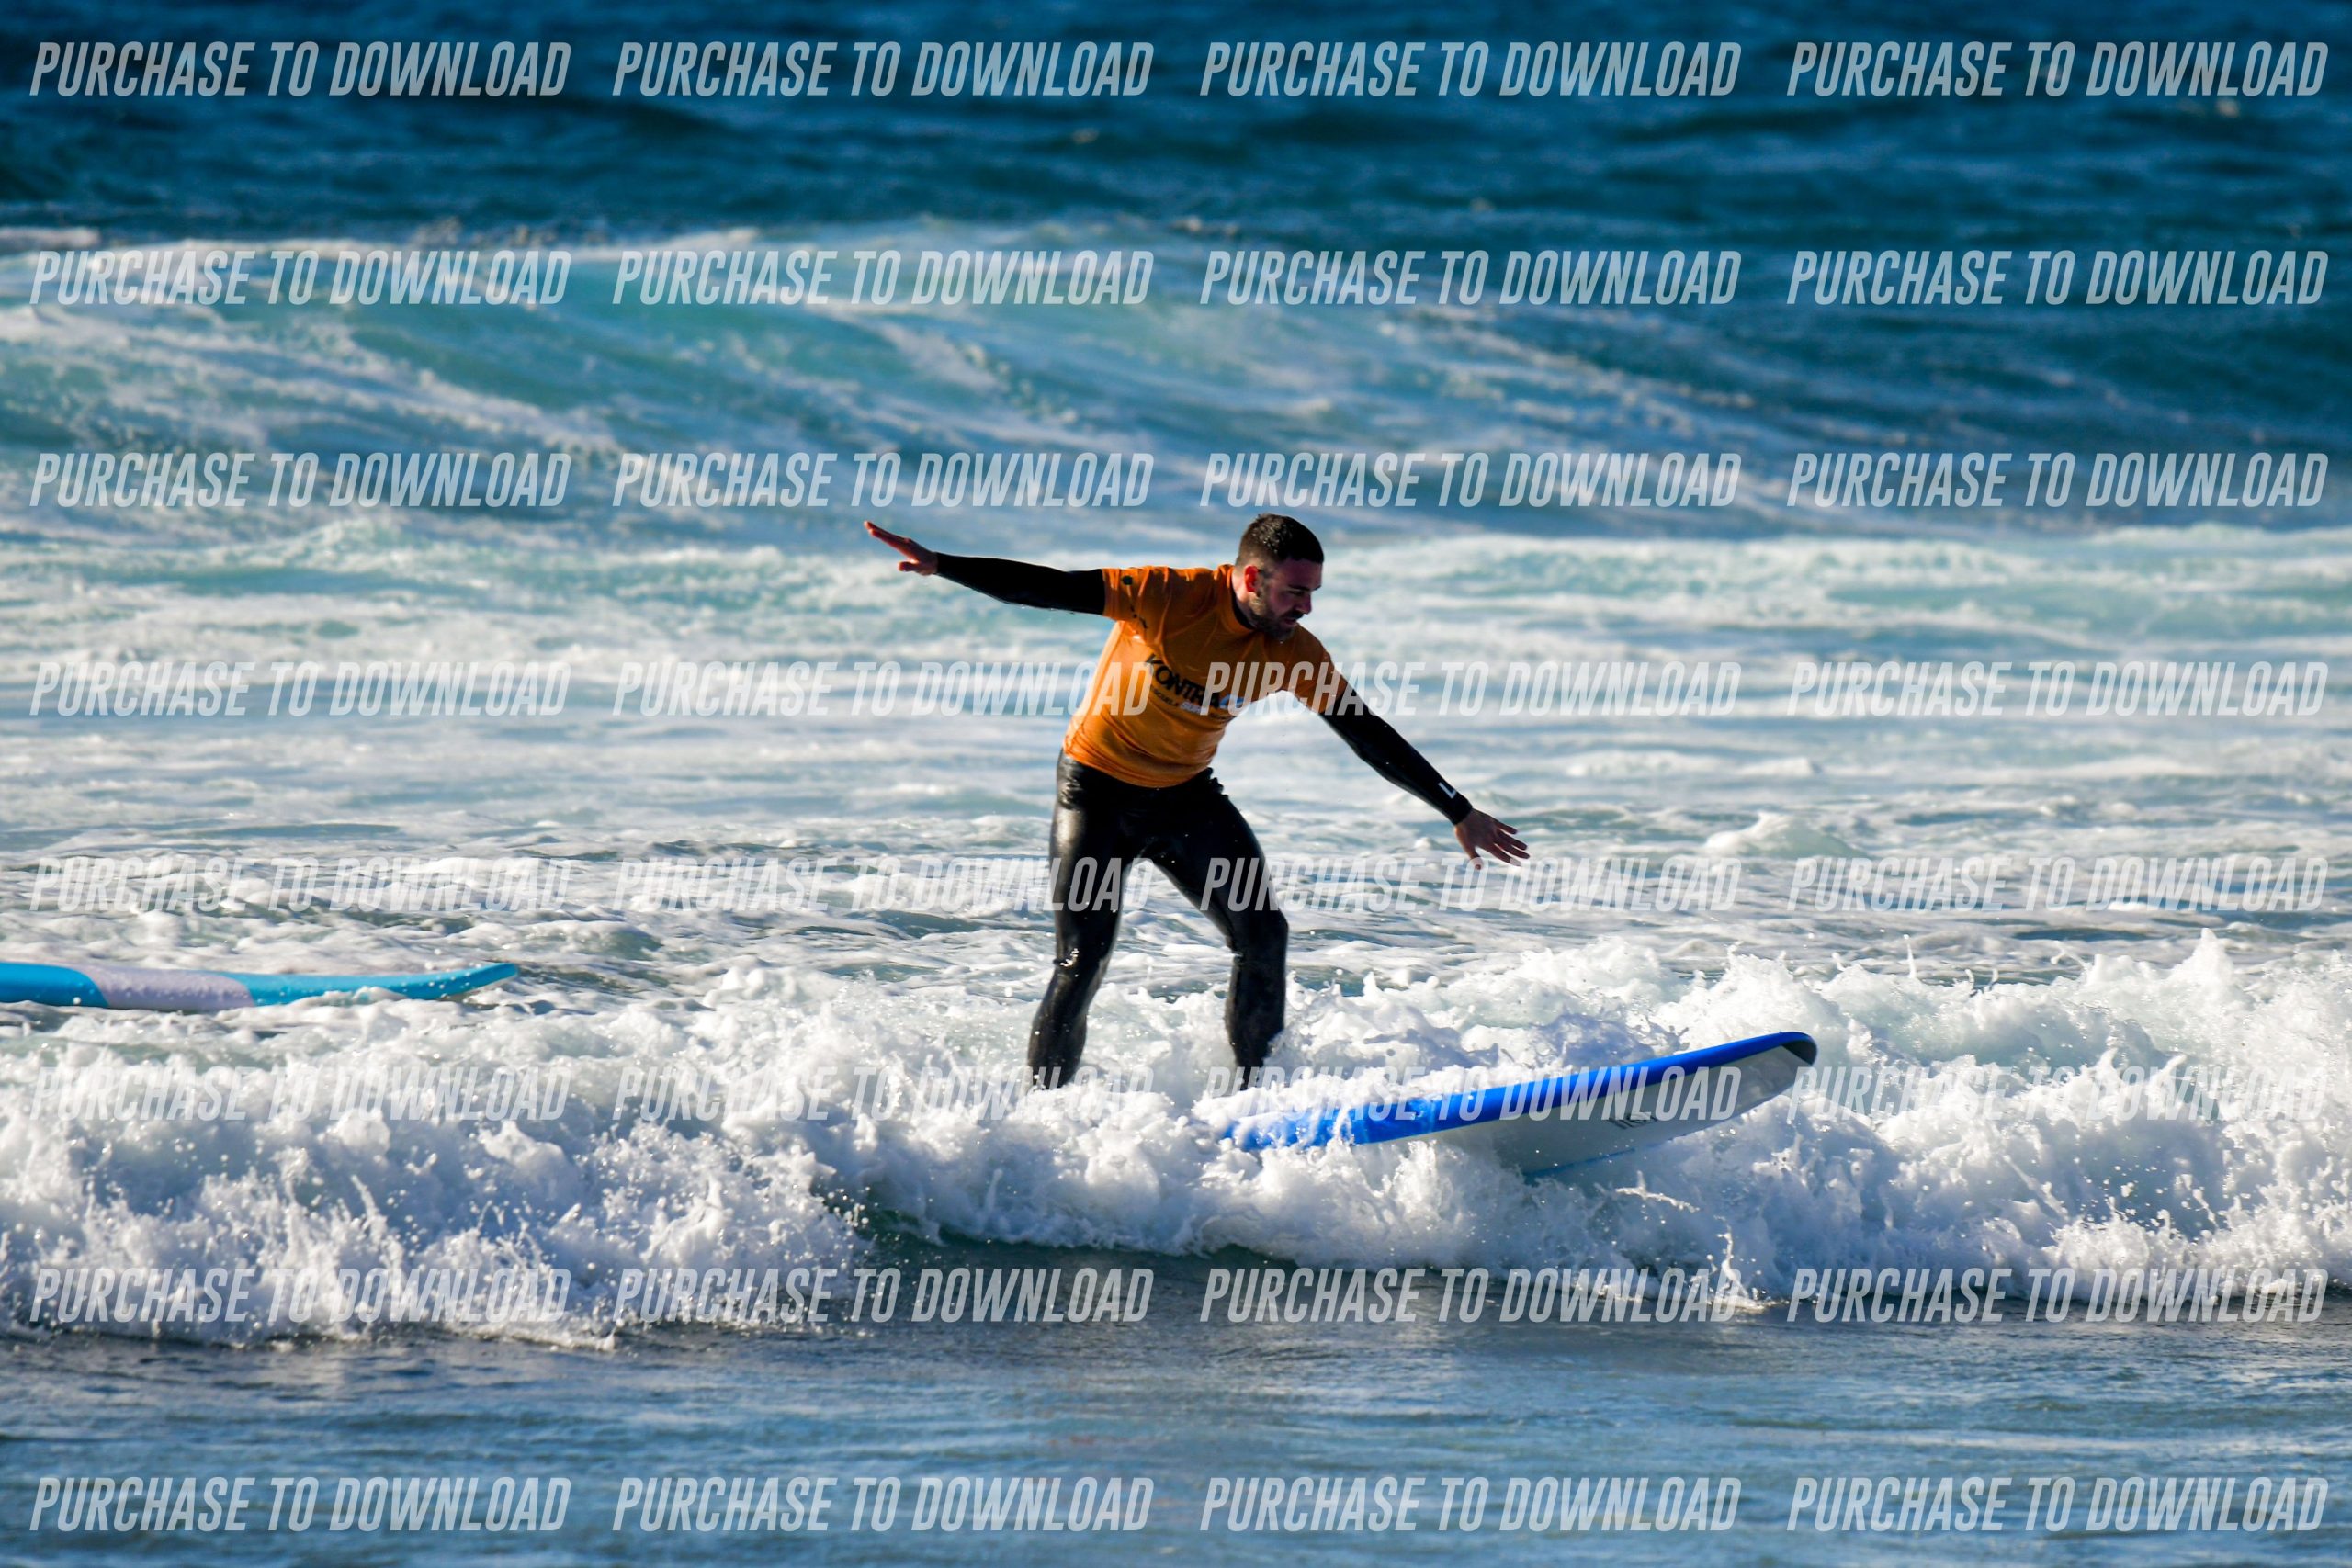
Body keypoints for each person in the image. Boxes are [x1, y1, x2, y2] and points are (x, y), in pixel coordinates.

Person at [866, 512, 1528, 1087]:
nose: (1306, 608)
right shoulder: (1168, 595)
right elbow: (1053, 588)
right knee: (1082, 958)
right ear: (1251, 578)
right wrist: (944, 565)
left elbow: (1364, 731)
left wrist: (1458, 810)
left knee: (1263, 934)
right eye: (1295, 591)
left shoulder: (1293, 652)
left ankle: (1260, 1097)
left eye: (1312, 593)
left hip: (1184, 798)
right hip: (1096, 792)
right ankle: (1041, 1111)